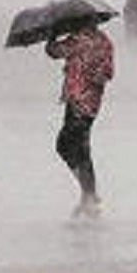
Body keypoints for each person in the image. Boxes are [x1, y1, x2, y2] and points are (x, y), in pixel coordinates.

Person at [46, 19, 114, 217]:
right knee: (81, 146)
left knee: (65, 145)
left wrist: (53, 33)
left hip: (77, 101)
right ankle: (88, 194)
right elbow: (108, 72)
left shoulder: (77, 41)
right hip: (92, 103)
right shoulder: (105, 41)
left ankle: (89, 193)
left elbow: (53, 51)